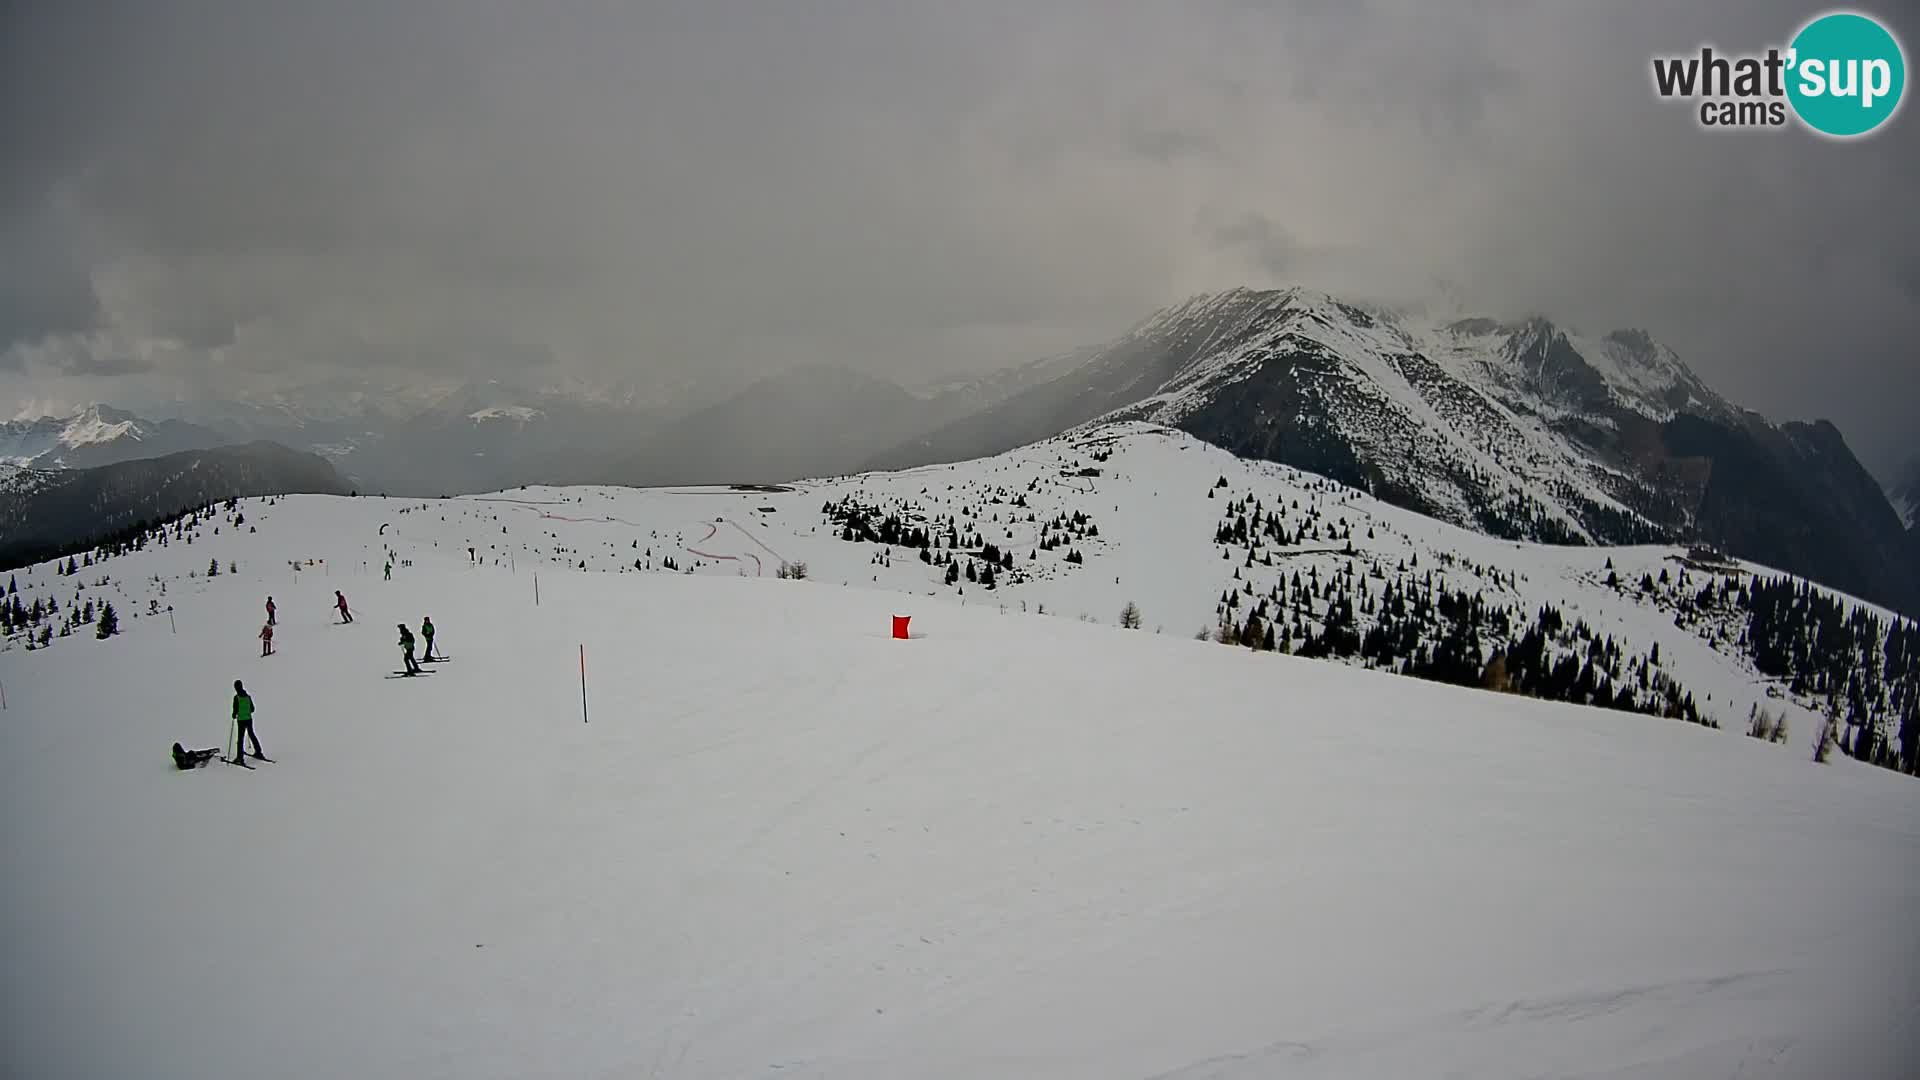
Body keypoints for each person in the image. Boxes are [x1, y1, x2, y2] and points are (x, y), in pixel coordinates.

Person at [229, 680, 266, 763]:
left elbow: (235, 710)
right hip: (249, 719)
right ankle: (258, 752)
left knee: (240, 739)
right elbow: (252, 709)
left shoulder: (236, 698)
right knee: (252, 735)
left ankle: (240, 758)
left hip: (241, 720)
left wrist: (234, 715)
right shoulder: (248, 697)